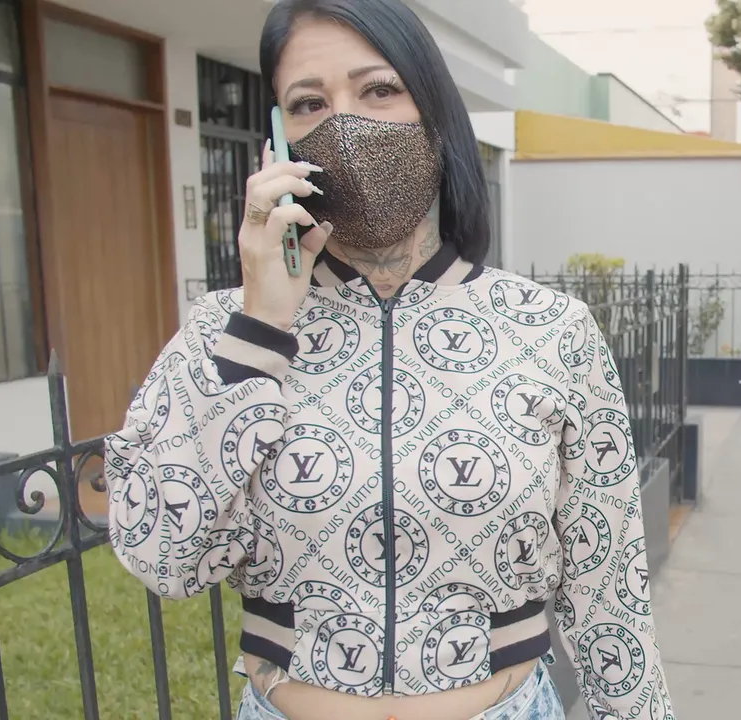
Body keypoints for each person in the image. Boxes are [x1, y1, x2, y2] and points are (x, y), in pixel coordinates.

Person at [104, 1, 673, 719]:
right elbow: (161, 554)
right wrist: (261, 330)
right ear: (278, 141)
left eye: (378, 89)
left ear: (435, 117)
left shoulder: (550, 329)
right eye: (308, 103)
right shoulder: (226, 330)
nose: (344, 124)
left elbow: (609, 584)